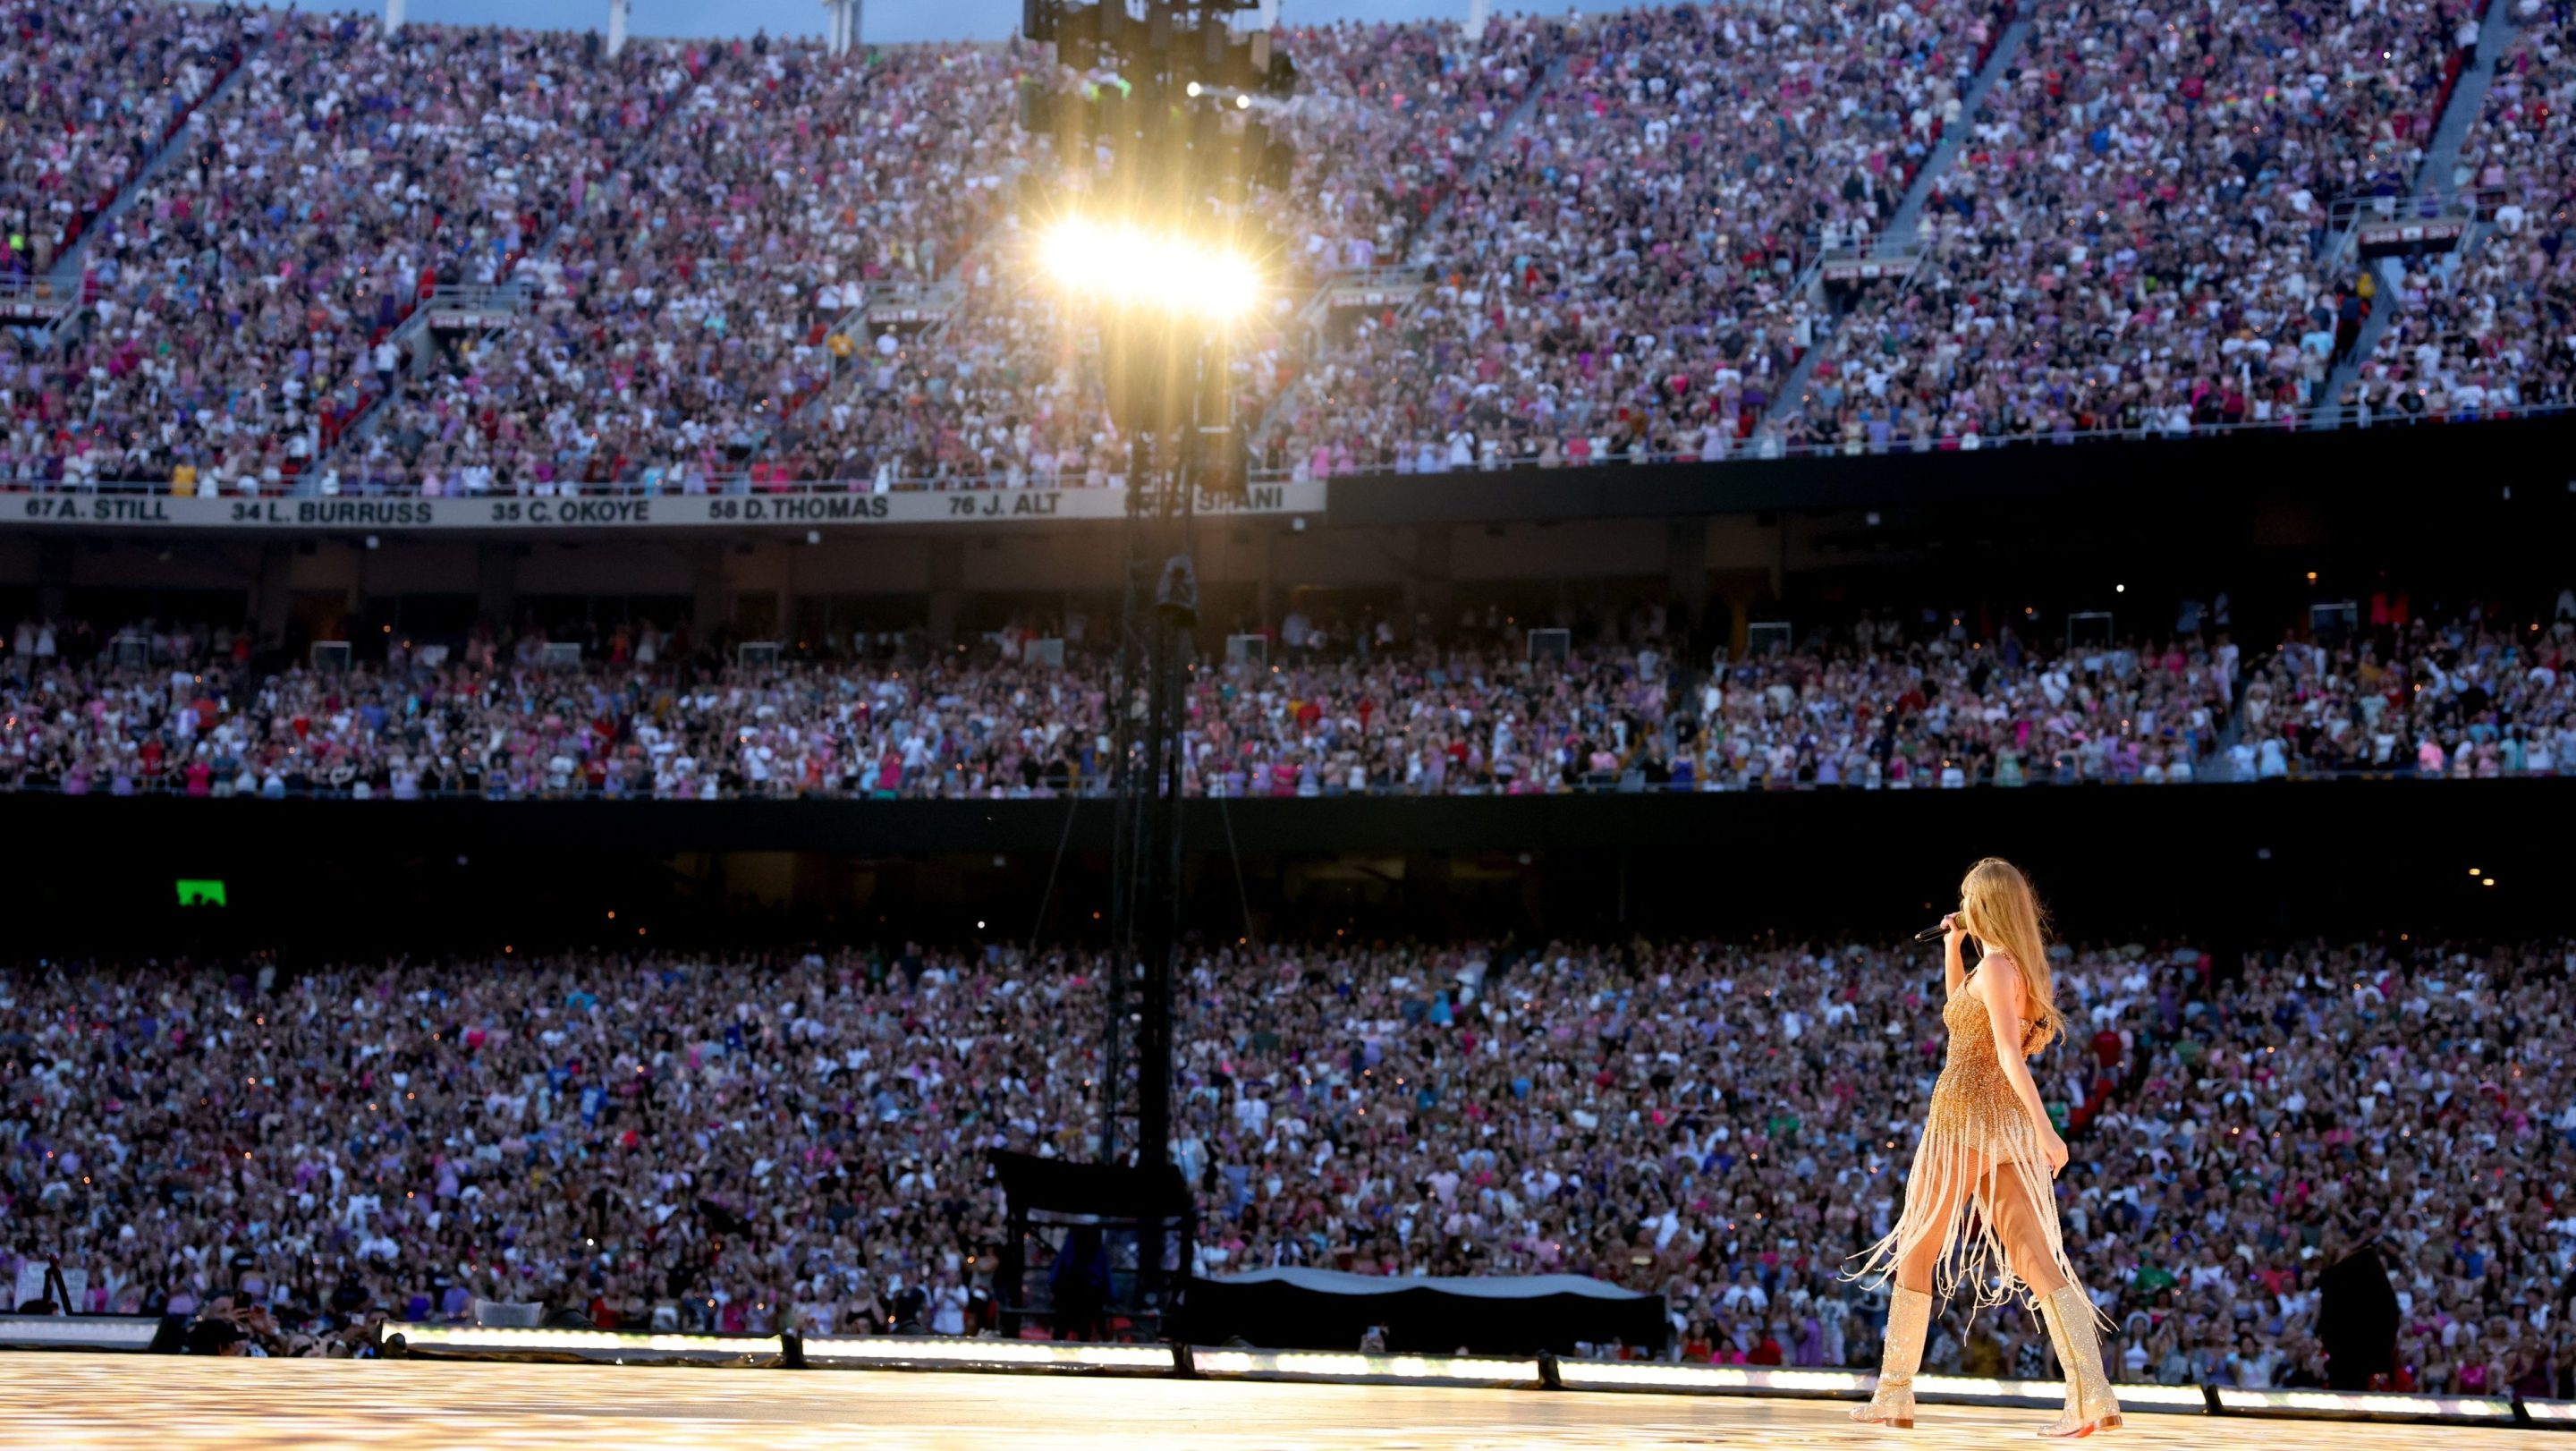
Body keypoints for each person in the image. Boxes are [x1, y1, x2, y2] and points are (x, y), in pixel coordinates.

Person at [1846, 858, 2123, 1437]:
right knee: (2035, 1257)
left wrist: (2048, 1130)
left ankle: (1894, 1393)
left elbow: (2004, 1052)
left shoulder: (1997, 968)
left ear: (1983, 903)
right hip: (2003, 1125)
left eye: (1967, 899)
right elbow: (1961, 1020)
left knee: (1918, 1249)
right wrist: (1954, 948)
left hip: (1966, 1115)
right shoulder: (2008, 967)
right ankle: (2093, 1395)